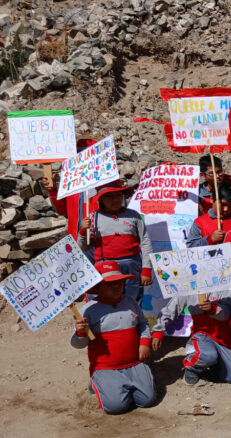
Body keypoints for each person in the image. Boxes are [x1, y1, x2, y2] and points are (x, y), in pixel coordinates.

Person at [71, 261, 155, 415]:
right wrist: (81, 333)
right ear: (98, 287)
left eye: (120, 282)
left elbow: (143, 324)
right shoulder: (88, 310)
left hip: (134, 362)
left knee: (147, 400)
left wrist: (144, 342)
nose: (117, 286)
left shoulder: (130, 302)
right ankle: (98, 381)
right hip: (106, 366)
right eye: (110, 284)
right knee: (116, 407)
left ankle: (116, 386)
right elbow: (78, 344)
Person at [78, 181, 153, 301]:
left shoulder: (133, 216)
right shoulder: (92, 218)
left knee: (132, 301)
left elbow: (145, 242)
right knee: (106, 299)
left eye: (118, 195)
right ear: (101, 199)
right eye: (109, 196)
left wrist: (146, 269)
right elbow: (84, 248)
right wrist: (82, 231)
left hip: (132, 265)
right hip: (105, 265)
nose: (115, 199)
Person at [43, 138, 97, 240]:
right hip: (76, 240)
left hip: (99, 244)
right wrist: (53, 190)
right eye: (78, 157)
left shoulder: (106, 185)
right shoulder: (71, 184)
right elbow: (62, 210)